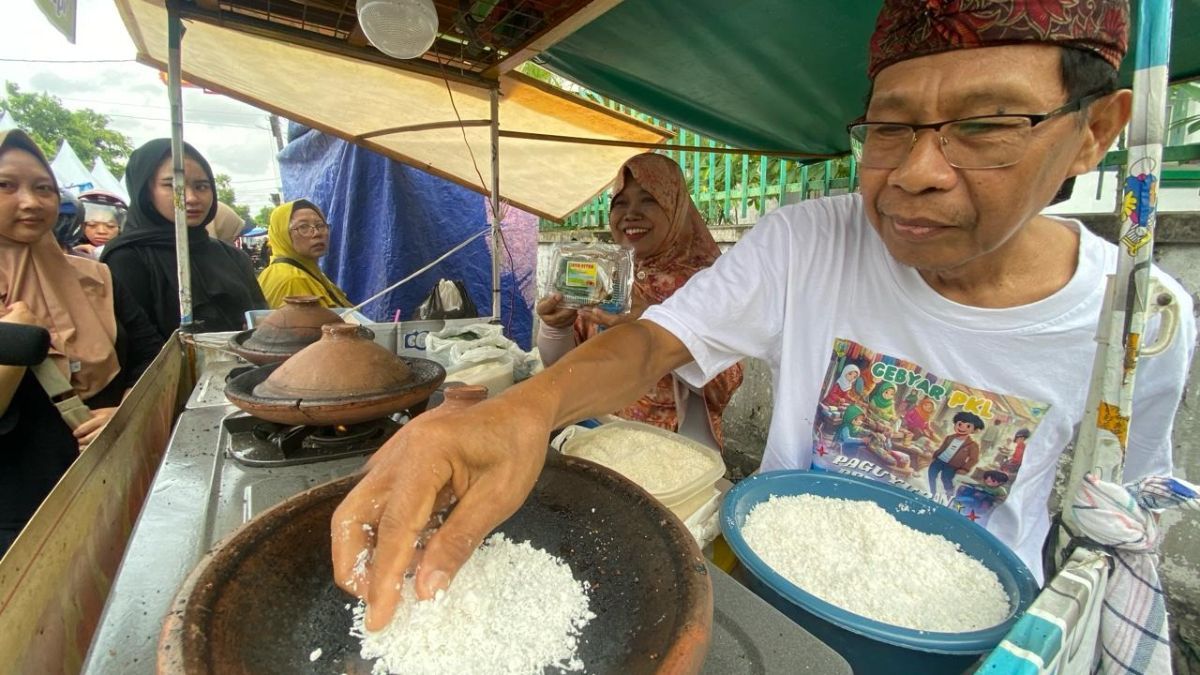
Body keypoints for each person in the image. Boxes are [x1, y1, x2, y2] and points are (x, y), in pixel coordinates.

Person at [333, 0, 1196, 631]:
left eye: (985, 125)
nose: (917, 171)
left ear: (1094, 131)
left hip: (967, 642)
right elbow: (656, 342)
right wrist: (525, 409)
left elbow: (1111, 523)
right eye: (890, 130)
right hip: (775, 609)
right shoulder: (808, 239)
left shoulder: (1140, 322)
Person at [0, 130, 162, 556]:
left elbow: (149, 356)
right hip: (22, 510)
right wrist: (16, 345)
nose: (31, 202)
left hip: (115, 476)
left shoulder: (95, 278)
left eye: (43, 188)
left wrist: (125, 412)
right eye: (5, 186)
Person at [536, 153, 743, 447]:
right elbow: (564, 366)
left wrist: (655, 326)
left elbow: (725, 383)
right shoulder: (604, 277)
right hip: (598, 436)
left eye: (648, 200)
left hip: (673, 449)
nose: (631, 214)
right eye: (620, 203)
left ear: (675, 207)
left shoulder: (709, 284)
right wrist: (557, 327)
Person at [100, 139, 265, 337]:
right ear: (145, 191)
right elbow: (136, 345)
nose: (192, 198)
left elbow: (260, 320)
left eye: (202, 186)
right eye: (173, 185)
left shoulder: (233, 257)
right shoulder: (126, 258)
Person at [256, 199, 351, 309]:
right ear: (282, 235)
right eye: (303, 227)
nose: (317, 233)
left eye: (320, 225)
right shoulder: (293, 280)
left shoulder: (305, 271)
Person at [73, 189, 128, 259]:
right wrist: (73, 252)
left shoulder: (129, 252)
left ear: (120, 228)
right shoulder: (66, 247)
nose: (101, 231)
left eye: (110, 226)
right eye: (92, 225)